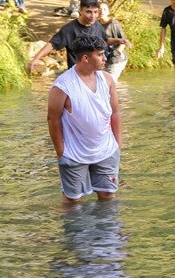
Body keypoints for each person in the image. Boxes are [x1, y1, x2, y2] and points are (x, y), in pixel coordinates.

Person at [46, 36, 122, 204]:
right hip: (74, 154)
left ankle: (107, 231)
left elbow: (115, 113)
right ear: (86, 58)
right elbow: (53, 120)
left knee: (108, 198)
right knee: (73, 202)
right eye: (100, 54)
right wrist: (61, 153)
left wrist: (117, 145)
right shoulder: (63, 85)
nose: (105, 58)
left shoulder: (107, 79)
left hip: (106, 150)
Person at [29, 0, 108, 73]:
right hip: (77, 75)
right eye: (88, 12)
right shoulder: (69, 29)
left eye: (95, 12)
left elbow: (105, 41)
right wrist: (36, 58)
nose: (92, 16)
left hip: (96, 73)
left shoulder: (97, 25)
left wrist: (118, 41)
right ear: (80, 11)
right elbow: (52, 44)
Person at [98, 1, 132, 82]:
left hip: (116, 58)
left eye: (104, 9)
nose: (102, 11)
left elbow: (124, 40)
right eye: (99, 9)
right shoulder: (95, 24)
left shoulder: (113, 24)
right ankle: (122, 91)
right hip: (104, 58)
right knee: (103, 82)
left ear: (108, 11)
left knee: (110, 82)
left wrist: (118, 51)